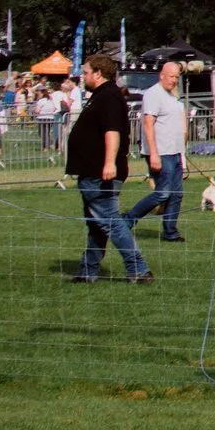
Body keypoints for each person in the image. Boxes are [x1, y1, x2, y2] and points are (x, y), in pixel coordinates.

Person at [65, 53, 150, 284]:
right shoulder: (101, 95)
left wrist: (109, 162)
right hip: (92, 171)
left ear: (98, 73)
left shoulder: (109, 97)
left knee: (110, 221)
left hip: (100, 173)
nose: (82, 76)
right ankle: (87, 271)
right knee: (97, 225)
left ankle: (138, 269)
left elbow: (113, 131)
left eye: (85, 72)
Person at [122, 61, 190, 241]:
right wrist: (153, 153)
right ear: (162, 75)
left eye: (177, 77)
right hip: (160, 152)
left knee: (176, 194)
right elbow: (148, 125)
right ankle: (128, 220)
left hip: (175, 152)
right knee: (163, 193)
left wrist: (182, 151)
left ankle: (170, 232)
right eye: (171, 77)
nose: (174, 80)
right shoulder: (153, 94)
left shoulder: (172, 96)